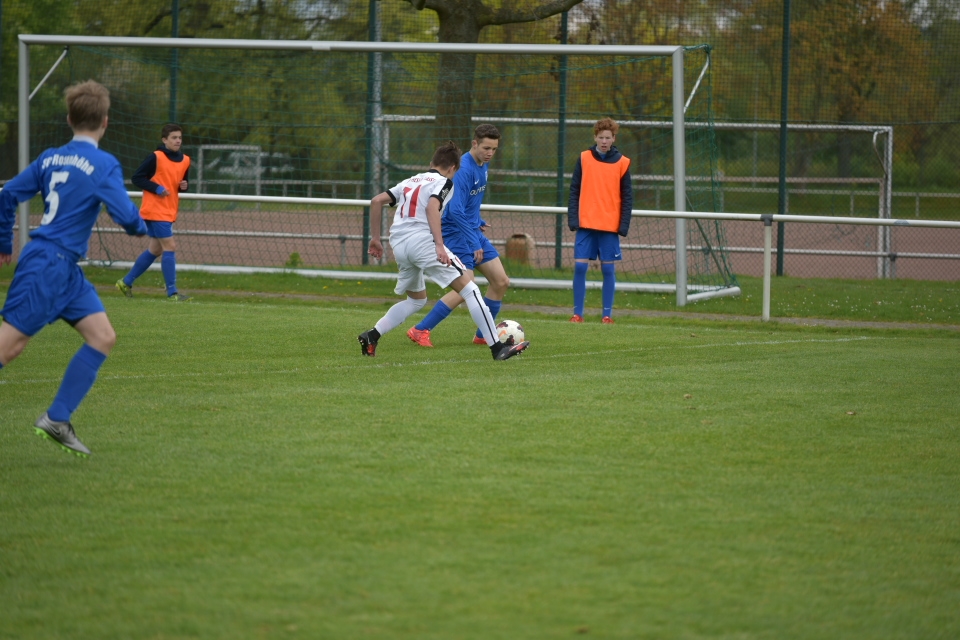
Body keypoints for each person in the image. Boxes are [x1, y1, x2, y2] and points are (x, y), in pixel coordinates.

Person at [0, 80, 148, 457]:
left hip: (64, 269)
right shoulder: (103, 164)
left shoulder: (50, 157)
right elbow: (127, 218)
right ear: (105, 121)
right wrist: (142, 225)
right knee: (8, 346)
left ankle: (57, 419)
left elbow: (8, 194)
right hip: (48, 265)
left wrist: (4, 242)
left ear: (69, 119)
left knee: (102, 336)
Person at [357, 141, 528, 361]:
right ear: (453, 168)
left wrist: (374, 239)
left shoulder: (410, 181)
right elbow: (432, 207)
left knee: (416, 300)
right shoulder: (445, 182)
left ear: (432, 162)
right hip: (422, 243)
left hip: (399, 245)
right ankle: (498, 348)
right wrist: (439, 245)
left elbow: (376, 200)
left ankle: (372, 335)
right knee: (471, 290)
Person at [405, 124, 511, 348]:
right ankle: (421, 329)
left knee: (501, 281)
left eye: (494, 149)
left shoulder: (483, 165)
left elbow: (467, 203)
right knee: (466, 287)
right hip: (455, 232)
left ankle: (484, 334)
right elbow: (454, 210)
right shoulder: (464, 169)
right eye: (486, 148)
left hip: (471, 230)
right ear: (474, 143)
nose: (490, 153)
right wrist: (473, 241)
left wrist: (477, 220)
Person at [115, 123, 192, 301]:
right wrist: (156, 188)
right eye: (174, 137)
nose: (178, 141)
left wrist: (184, 186)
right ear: (164, 140)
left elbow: (181, 184)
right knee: (170, 247)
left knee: (156, 249)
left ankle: (126, 282)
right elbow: (137, 178)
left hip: (169, 210)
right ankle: (172, 293)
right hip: (155, 210)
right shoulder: (155, 157)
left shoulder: (185, 160)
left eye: (180, 138)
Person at [567, 117, 633, 323]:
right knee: (580, 267)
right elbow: (574, 190)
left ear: (614, 139)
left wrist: (623, 225)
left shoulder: (622, 162)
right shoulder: (584, 158)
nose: (604, 141)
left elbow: (627, 197)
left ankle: (607, 315)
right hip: (586, 224)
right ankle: (577, 314)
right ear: (595, 137)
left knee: (608, 269)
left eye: (608, 137)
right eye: (601, 137)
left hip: (609, 226)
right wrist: (573, 218)